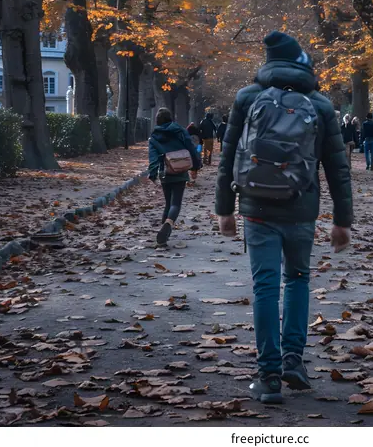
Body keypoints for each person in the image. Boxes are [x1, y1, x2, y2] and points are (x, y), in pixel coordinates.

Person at [215, 31, 353, 405]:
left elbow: (228, 157)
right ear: (301, 62)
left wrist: (224, 209)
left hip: (257, 208)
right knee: (297, 280)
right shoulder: (321, 105)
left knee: (264, 287)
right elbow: (337, 168)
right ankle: (293, 359)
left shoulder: (247, 98)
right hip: (302, 210)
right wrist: (342, 219)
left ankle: (268, 376)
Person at [148, 108, 201, 247]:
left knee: (167, 202)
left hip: (165, 171)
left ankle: (163, 233)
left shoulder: (154, 136)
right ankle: (168, 223)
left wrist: (152, 174)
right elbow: (191, 147)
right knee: (176, 203)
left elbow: (153, 157)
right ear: (170, 118)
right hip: (181, 169)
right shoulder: (180, 131)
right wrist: (196, 165)